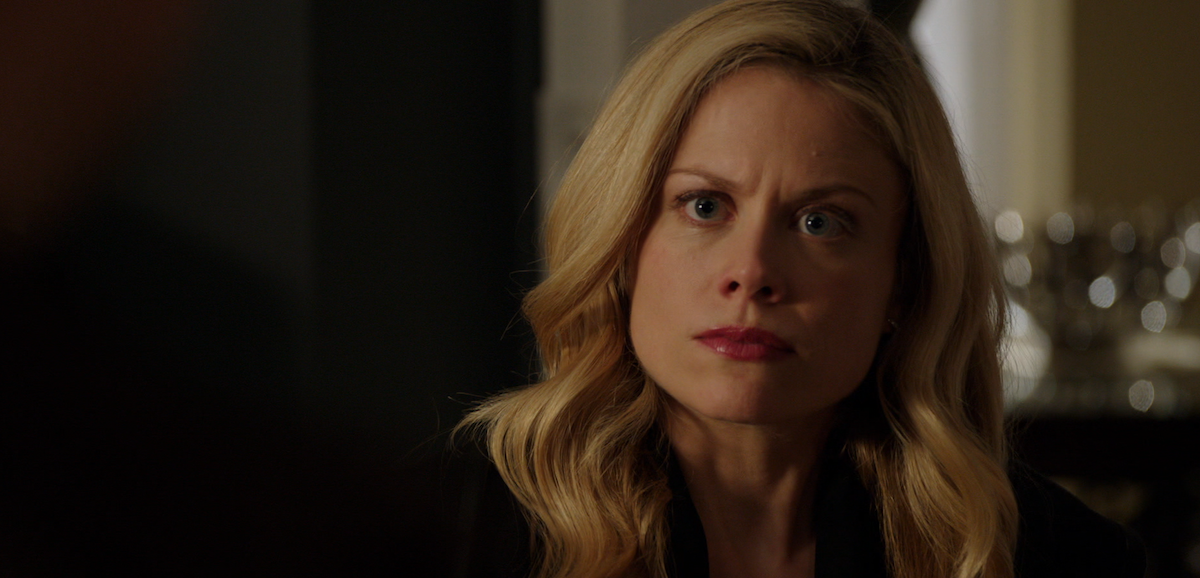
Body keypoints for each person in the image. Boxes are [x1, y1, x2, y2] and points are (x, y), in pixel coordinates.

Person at [447, 1, 1145, 577]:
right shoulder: (459, 528)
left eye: (821, 222)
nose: (752, 271)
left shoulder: (1057, 556)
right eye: (705, 206)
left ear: (903, 282)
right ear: (624, 242)